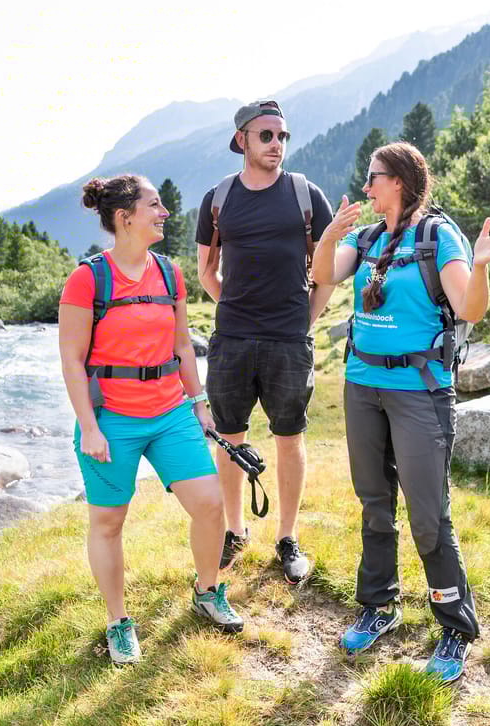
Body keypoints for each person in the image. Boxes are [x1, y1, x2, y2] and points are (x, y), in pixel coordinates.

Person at [311, 141, 490, 681]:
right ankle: (379, 606)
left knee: (428, 514)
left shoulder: (439, 237)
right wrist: (329, 234)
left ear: (397, 180)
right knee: (374, 503)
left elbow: (469, 308)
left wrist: (480, 266)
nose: (366, 185)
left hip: (420, 393)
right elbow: (325, 274)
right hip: (362, 386)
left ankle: (454, 627)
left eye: (373, 176)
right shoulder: (366, 238)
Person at [59, 174, 244, 665]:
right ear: (125, 218)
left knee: (210, 505)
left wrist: (199, 404)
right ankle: (118, 622)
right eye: (155, 205)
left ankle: (207, 592)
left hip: (170, 413)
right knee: (108, 521)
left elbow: (182, 344)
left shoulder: (169, 272)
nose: (165, 213)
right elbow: (72, 360)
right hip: (111, 419)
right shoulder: (87, 279)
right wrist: (90, 427)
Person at [195, 99, 336, 583]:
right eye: (267, 136)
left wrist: (303, 320)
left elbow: (326, 271)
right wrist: (236, 308)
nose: (277, 144)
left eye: (283, 136)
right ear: (242, 140)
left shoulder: (305, 194)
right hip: (231, 341)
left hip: (288, 342)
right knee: (230, 437)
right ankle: (234, 531)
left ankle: (287, 538)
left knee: (289, 438)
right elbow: (206, 271)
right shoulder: (218, 198)